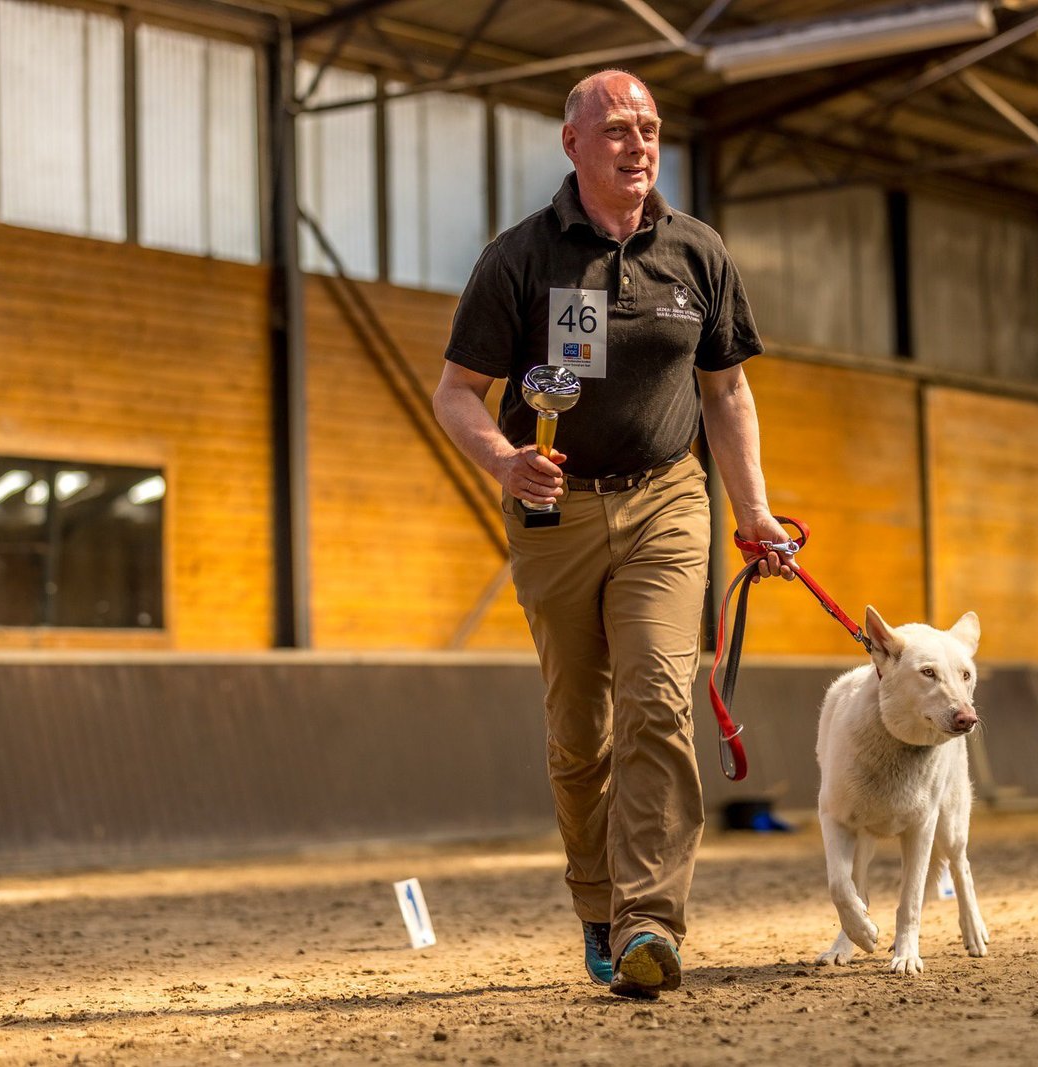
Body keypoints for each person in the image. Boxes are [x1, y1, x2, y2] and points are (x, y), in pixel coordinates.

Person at [431, 69, 791, 999]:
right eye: (619, 129)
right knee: (580, 730)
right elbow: (456, 394)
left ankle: (649, 921)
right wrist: (504, 460)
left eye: (650, 128)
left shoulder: (697, 251)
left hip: (667, 499)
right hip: (553, 512)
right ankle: (598, 902)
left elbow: (727, 392)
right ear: (573, 144)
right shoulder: (519, 257)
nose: (639, 145)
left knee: (659, 702)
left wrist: (753, 510)